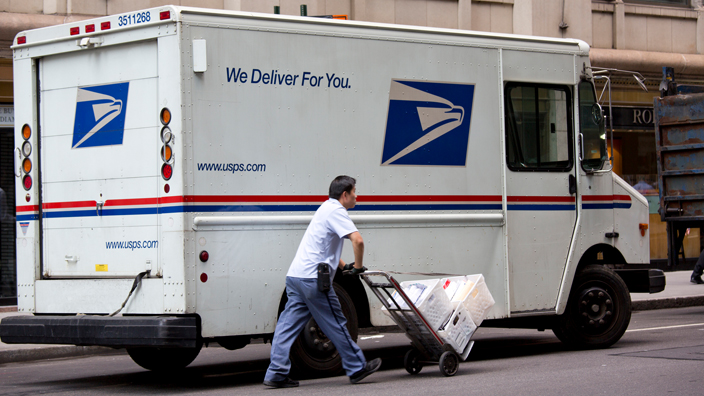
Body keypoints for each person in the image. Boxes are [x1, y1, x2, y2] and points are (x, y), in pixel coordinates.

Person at [263, 175, 381, 388]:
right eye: (355, 191)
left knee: (286, 326)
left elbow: (324, 248)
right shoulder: (337, 211)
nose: (357, 196)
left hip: (296, 276)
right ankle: (356, 367)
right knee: (336, 321)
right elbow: (358, 240)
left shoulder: (324, 208)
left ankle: (276, 373)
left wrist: (344, 266)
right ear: (345, 194)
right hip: (313, 280)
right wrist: (357, 267)